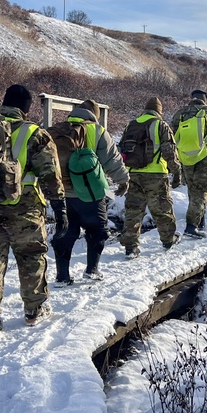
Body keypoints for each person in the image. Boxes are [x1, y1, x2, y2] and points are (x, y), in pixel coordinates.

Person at [0, 84, 67, 339]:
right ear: (25, 108)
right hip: (25, 206)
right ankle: (34, 309)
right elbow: (49, 173)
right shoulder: (34, 133)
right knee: (31, 255)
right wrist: (59, 206)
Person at [52, 99, 129, 283]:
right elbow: (112, 160)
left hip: (62, 192)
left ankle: (62, 276)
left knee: (65, 232)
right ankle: (91, 270)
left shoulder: (57, 129)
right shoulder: (97, 131)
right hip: (90, 192)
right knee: (97, 229)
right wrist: (123, 181)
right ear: (95, 115)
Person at [119, 96, 182, 258]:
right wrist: (176, 171)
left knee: (133, 210)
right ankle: (168, 240)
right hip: (156, 175)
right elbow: (169, 151)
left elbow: (121, 149)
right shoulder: (161, 125)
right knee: (162, 208)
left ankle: (130, 246)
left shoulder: (131, 125)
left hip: (132, 173)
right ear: (159, 111)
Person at [168, 89, 207, 238]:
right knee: (202, 191)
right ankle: (191, 227)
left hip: (185, 157)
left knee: (193, 189)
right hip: (205, 157)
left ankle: (200, 221)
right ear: (205, 99)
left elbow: (170, 137)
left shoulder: (180, 113)